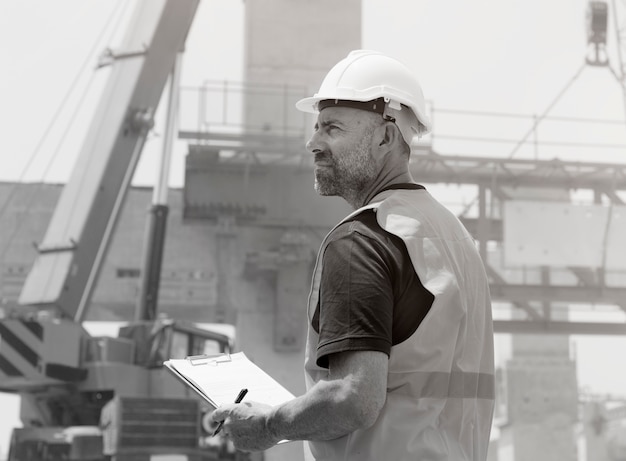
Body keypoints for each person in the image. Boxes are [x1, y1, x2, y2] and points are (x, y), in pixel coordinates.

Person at [211, 49, 495, 461]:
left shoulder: (362, 239)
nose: (313, 143)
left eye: (332, 128)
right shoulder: (456, 240)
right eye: (316, 128)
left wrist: (268, 425)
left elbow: (352, 398)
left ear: (386, 136)